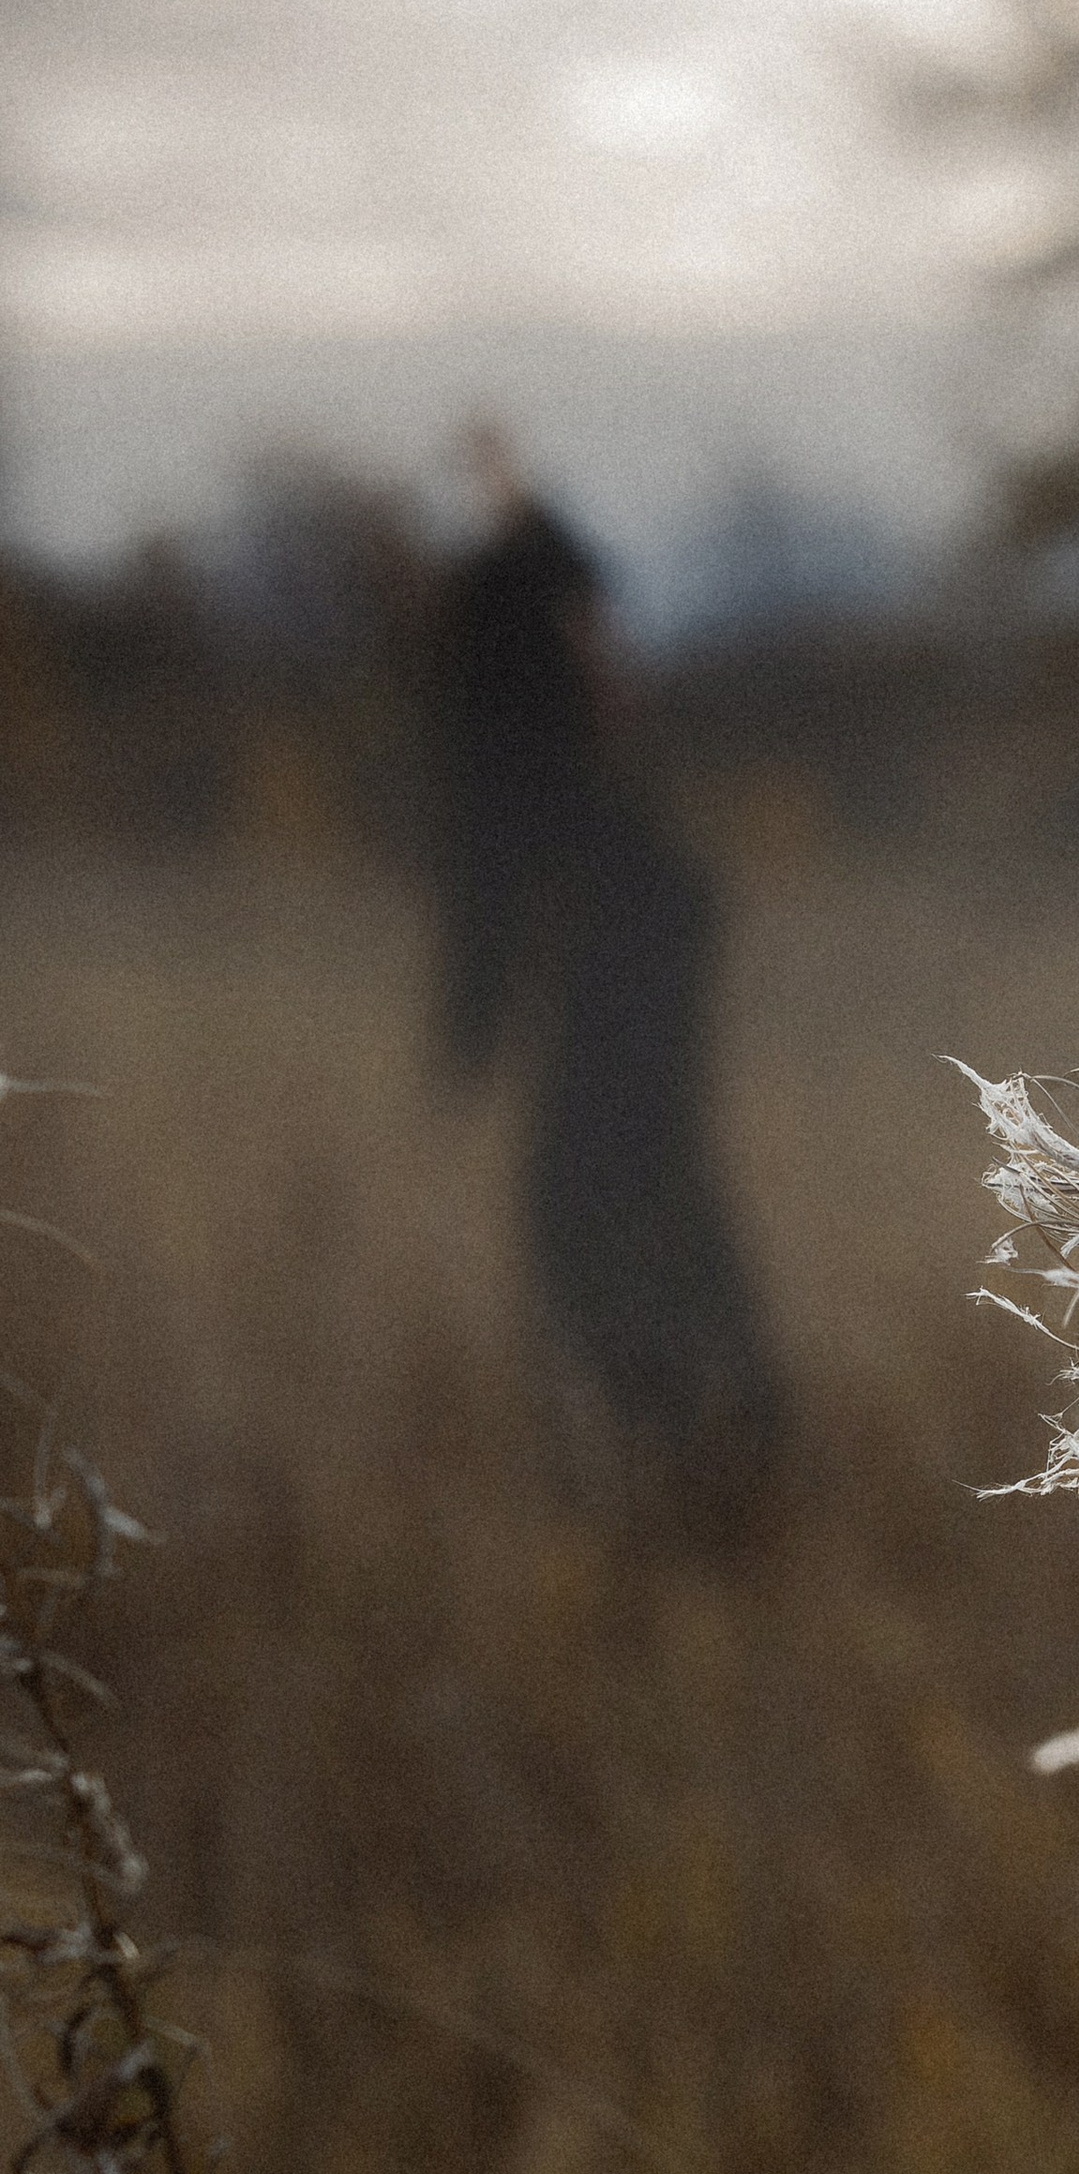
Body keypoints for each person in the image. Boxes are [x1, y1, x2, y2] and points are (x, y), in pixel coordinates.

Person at [428, 424, 784, 1511]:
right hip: (644, 924)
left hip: (632, 935)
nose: (611, 663)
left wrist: (465, 1035)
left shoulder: (516, 718)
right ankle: (713, 1461)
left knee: (600, 1212)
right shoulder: (551, 714)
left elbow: (487, 907)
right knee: (634, 1202)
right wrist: (515, 501)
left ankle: (696, 1469)